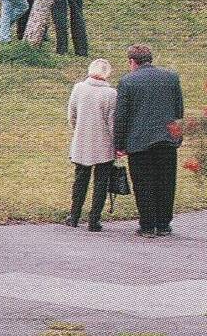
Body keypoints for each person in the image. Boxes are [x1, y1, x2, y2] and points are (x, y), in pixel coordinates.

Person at [113, 44, 184, 238]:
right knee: (166, 181)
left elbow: (121, 116)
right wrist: (178, 135)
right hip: (167, 138)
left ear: (132, 61)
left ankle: (147, 225)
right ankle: (163, 224)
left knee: (143, 183)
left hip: (139, 140)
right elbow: (178, 109)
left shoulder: (128, 82)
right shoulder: (171, 77)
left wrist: (118, 144)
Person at [65, 59, 116, 230]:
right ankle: (94, 220)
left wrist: (77, 129)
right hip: (104, 143)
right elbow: (112, 122)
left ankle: (74, 215)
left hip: (82, 139)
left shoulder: (79, 88)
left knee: (80, 179)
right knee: (101, 182)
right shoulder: (111, 94)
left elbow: (72, 114)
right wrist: (116, 142)